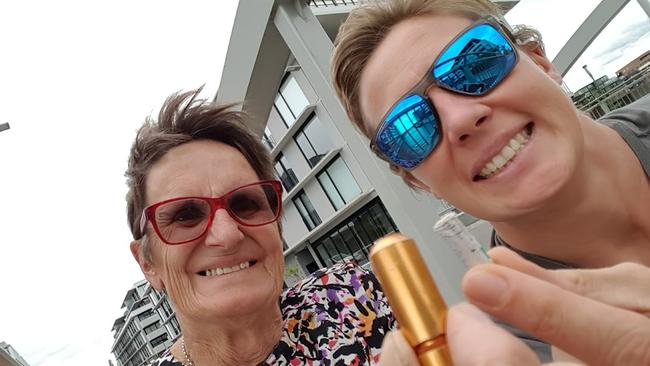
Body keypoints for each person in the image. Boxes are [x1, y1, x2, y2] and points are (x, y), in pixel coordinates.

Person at [330, 0, 650, 363]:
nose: (460, 120)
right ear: (420, 183)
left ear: (540, 61)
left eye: (475, 62)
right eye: (410, 128)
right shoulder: (513, 353)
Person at [125, 89, 396, 365]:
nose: (228, 234)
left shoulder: (350, 297)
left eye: (245, 204)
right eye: (184, 216)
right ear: (147, 263)